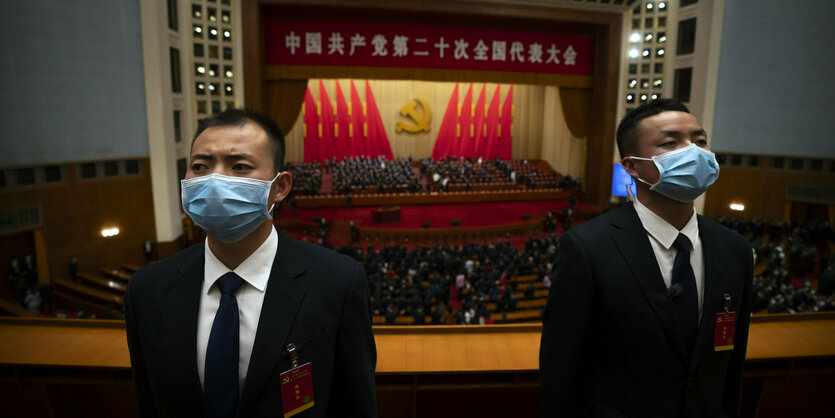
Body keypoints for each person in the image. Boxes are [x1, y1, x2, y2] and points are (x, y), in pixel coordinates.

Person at [125, 109, 377, 418]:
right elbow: (148, 403)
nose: (215, 180)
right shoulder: (147, 289)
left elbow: (354, 404)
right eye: (200, 166)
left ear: (280, 186)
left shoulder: (338, 281)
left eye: (239, 166)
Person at [540, 99, 753, 417]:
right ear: (631, 165)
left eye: (700, 140)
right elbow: (561, 367)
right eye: (671, 142)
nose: (692, 151)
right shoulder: (587, 248)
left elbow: (731, 363)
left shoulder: (734, 249)